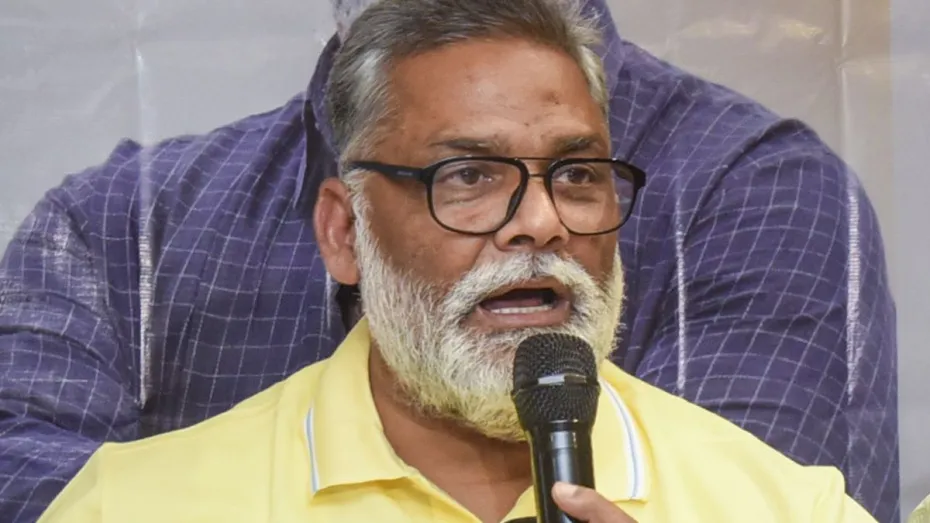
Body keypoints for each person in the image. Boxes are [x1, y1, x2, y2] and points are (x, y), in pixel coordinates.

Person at [0, 0, 898, 521]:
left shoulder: (787, 506)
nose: (540, 222)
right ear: (344, 232)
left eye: (578, 176)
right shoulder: (132, 506)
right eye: (468, 176)